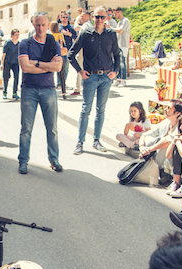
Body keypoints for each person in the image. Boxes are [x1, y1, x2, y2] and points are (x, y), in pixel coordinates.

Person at [68, 6, 120, 156]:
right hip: (90, 77)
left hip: (106, 77)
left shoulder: (111, 34)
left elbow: (117, 54)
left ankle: (96, 140)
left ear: (106, 19)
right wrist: (79, 71)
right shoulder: (85, 33)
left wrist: (115, 71)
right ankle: (80, 142)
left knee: (101, 110)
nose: (99, 20)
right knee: (86, 109)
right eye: (97, 17)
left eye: (102, 17)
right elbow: (71, 54)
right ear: (93, 17)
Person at [17, 12, 64, 175]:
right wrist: (47, 65)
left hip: (49, 89)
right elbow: (25, 67)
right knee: (26, 128)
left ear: (48, 24)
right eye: (37, 24)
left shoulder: (54, 43)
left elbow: (58, 68)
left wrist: (35, 63)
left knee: (52, 128)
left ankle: (54, 159)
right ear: (33, 24)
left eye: (43, 24)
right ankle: (23, 161)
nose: (41, 28)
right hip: (28, 89)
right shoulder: (25, 43)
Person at [138, 99, 182, 183]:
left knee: (163, 145)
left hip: (176, 160)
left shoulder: (181, 126)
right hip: (162, 158)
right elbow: (145, 134)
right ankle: (160, 170)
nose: (165, 109)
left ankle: (163, 171)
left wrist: (149, 150)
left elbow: (166, 141)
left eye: (169, 108)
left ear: (177, 113)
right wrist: (142, 147)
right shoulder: (166, 123)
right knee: (149, 139)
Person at [71, 11, 91, 96]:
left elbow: (76, 28)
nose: (80, 18)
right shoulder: (88, 25)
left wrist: (76, 21)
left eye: (82, 16)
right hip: (85, 49)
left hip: (83, 49)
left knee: (80, 68)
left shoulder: (86, 26)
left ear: (87, 17)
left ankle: (78, 88)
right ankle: (79, 87)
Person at [111, 7, 130, 86]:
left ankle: (123, 80)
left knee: (122, 62)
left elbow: (120, 31)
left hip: (123, 44)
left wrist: (110, 28)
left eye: (115, 13)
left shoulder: (125, 21)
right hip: (118, 44)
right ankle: (118, 79)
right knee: (117, 62)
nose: (114, 15)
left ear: (119, 12)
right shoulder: (119, 22)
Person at [0, 29, 21, 100]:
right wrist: (1, 64)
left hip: (16, 63)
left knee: (16, 77)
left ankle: (15, 93)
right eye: (16, 35)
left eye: (18, 35)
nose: (17, 36)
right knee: (6, 77)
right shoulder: (8, 43)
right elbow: (3, 54)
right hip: (7, 62)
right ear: (12, 35)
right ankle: (5, 92)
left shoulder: (19, 44)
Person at [58, 13, 77, 95]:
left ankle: (63, 83)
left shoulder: (71, 27)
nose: (65, 18)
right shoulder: (58, 27)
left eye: (66, 17)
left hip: (68, 49)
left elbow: (75, 37)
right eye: (63, 17)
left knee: (66, 67)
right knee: (59, 67)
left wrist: (69, 34)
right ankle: (59, 83)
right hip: (59, 49)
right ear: (60, 18)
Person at [50, 21, 68, 99]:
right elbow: (63, 44)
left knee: (50, 74)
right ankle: (63, 92)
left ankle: (51, 91)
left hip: (51, 57)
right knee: (62, 74)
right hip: (60, 56)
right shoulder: (61, 35)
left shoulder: (49, 36)